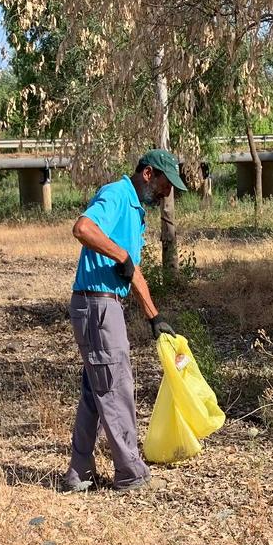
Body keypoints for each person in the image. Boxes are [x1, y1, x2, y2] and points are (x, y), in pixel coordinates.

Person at [63, 149, 186, 492]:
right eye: (165, 183)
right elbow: (83, 228)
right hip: (97, 306)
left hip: (105, 304)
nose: (167, 193)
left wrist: (154, 316)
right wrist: (120, 254)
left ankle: (79, 472)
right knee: (116, 387)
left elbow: (133, 269)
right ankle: (130, 472)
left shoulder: (135, 211)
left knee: (95, 390)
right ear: (148, 174)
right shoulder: (117, 194)